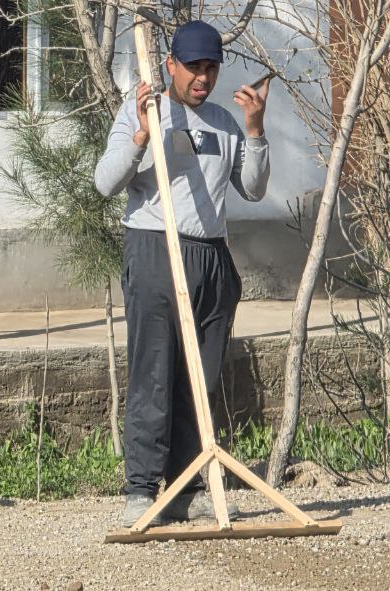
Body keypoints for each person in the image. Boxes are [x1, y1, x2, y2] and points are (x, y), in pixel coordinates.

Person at [93, 20, 271, 525]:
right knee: (153, 372)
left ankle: (186, 487)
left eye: (211, 67)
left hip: (211, 256)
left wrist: (255, 131)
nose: (203, 77)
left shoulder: (223, 123)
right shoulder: (144, 110)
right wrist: (142, 137)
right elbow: (105, 183)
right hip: (155, 248)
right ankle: (140, 489)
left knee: (201, 379)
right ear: (171, 64)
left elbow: (253, 188)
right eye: (193, 67)